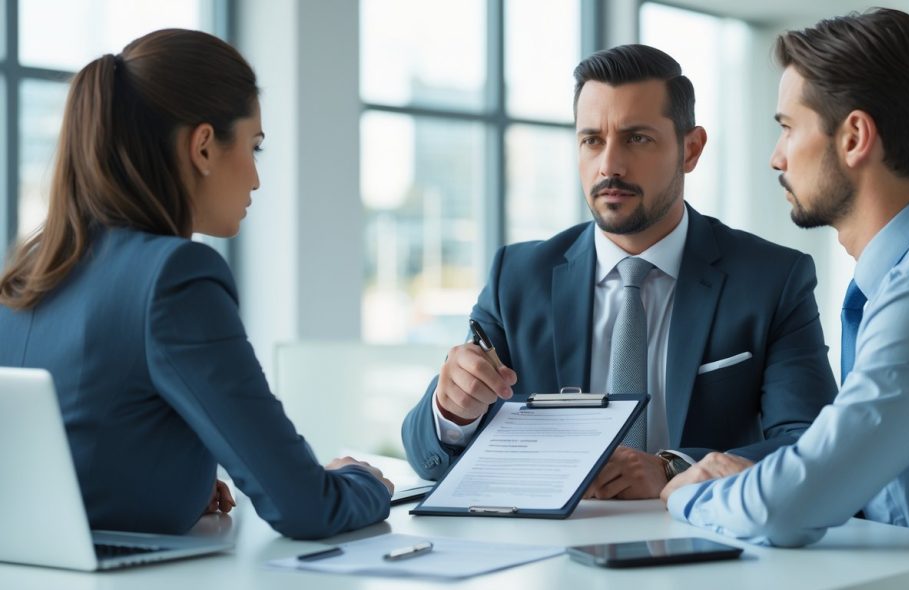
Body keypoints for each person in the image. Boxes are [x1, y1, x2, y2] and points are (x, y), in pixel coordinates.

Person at [0, 29, 393, 540]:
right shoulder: (176, 276)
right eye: (254, 147)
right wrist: (363, 479)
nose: (254, 177)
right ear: (203, 147)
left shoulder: (31, 271)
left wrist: (178, 482)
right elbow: (303, 504)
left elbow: (82, 452)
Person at [402, 44, 837, 500]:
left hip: (705, 547)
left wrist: (672, 471)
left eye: (637, 139)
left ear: (691, 149)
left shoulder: (772, 279)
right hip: (551, 555)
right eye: (592, 140)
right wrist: (452, 410)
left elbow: (809, 443)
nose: (609, 165)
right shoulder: (518, 277)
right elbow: (425, 455)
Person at [662, 8, 909, 546]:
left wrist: (682, 492)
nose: (775, 157)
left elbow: (783, 512)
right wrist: (768, 482)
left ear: (854, 136)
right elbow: (835, 472)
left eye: (787, 128)